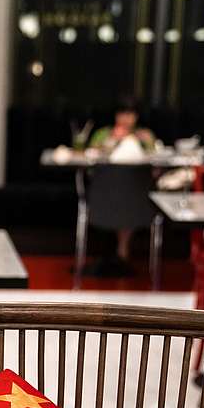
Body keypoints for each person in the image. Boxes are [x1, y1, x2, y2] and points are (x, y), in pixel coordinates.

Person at [85, 97, 157, 274]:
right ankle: (120, 250)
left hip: (136, 196)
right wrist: (113, 142)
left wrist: (140, 142)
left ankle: (122, 248)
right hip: (105, 194)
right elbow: (89, 163)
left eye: (130, 113)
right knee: (120, 197)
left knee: (131, 197)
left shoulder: (145, 136)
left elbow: (155, 163)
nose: (126, 118)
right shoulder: (103, 134)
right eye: (122, 113)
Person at [88, 96, 156, 155]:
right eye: (121, 114)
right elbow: (91, 153)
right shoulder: (102, 133)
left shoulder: (145, 133)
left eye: (129, 114)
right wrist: (112, 140)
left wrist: (148, 142)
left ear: (137, 116)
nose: (125, 118)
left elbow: (154, 156)